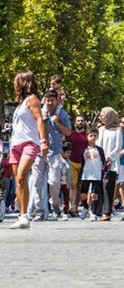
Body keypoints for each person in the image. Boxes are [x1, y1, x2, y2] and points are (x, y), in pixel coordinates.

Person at [8, 71, 49, 229]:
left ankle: (25, 216)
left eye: (17, 81)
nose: (15, 84)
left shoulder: (32, 100)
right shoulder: (20, 103)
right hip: (15, 144)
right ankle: (22, 215)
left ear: (24, 83)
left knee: (21, 176)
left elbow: (39, 119)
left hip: (29, 143)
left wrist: (43, 141)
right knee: (19, 181)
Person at [31, 89, 71, 221]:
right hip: (39, 152)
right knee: (37, 182)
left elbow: (69, 132)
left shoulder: (62, 114)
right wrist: (42, 119)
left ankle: (55, 205)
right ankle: (39, 211)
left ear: (56, 100)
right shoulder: (39, 113)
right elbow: (32, 129)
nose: (49, 103)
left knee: (54, 181)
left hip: (54, 152)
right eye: (47, 100)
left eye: (52, 100)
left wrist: (58, 123)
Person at [95, 107, 122, 221]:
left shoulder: (118, 130)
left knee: (108, 186)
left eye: (103, 115)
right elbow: (98, 144)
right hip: (100, 162)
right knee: (100, 186)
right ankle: (99, 211)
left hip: (112, 163)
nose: (100, 117)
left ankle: (107, 211)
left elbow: (118, 147)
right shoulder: (101, 130)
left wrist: (109, 157)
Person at [80, 128, 106, 221]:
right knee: (83, 194)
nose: (93, 138)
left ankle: (94, 212)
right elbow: (82, 163)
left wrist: (104, 174)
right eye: (91, 136)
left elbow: (103, 163)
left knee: (94, 195)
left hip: (96, 175)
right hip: (86, 175)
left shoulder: (99, 150)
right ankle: (86, 208)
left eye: (95, 136)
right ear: (87, 137)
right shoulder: (84, 150)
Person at [66, 115, 88, 217]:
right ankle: (73, 206)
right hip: (72, 162)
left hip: (85, 164)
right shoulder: (71, 135)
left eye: (81, 121)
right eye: (78, 121)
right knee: (73, 185)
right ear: (75, 123)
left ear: (84, 122)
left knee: (80, 186)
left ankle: (77, 207)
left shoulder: (88, 135)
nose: (80, 122)